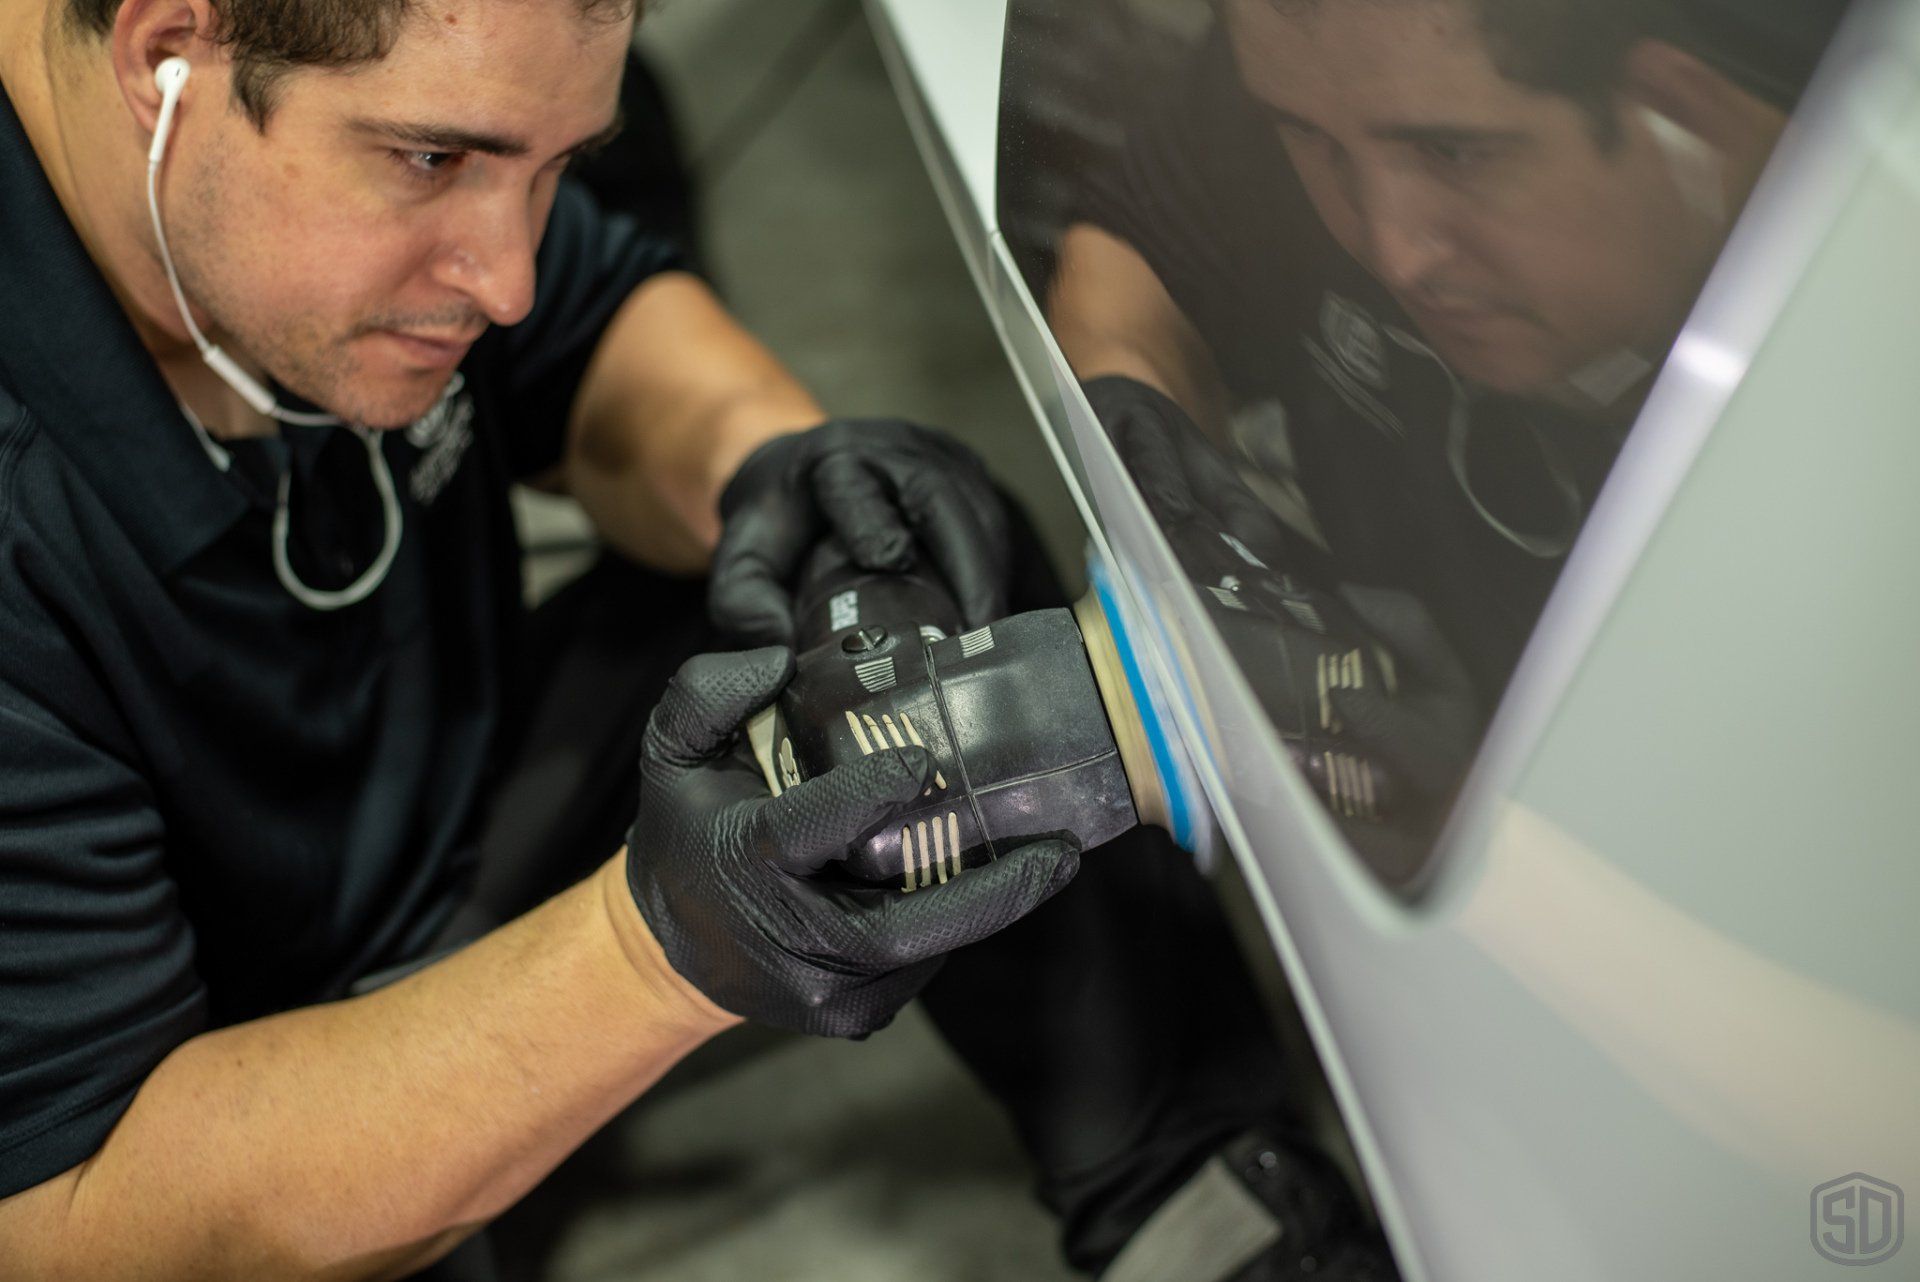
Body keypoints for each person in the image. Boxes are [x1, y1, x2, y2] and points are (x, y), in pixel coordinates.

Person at [0, 0, 1340, 1277]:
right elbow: (75, 1215)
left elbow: (588, 334)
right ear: (166, 53)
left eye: (550, 167)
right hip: (206, 1115)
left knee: (911, 572)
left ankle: (1201, 1202)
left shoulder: (311, 155)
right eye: (431, 158)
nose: (506, 276)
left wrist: (773, 468)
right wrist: (652, 953)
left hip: (424, 811)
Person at [1033, 0, 1844, 874]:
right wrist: (1152, 456)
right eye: (1312, 140)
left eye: (1458, 155)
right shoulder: (1346, 68)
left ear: (1690, 114)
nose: (1391, 249)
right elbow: (1138, 248)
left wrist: (1478, 852)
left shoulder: (1850, 467)